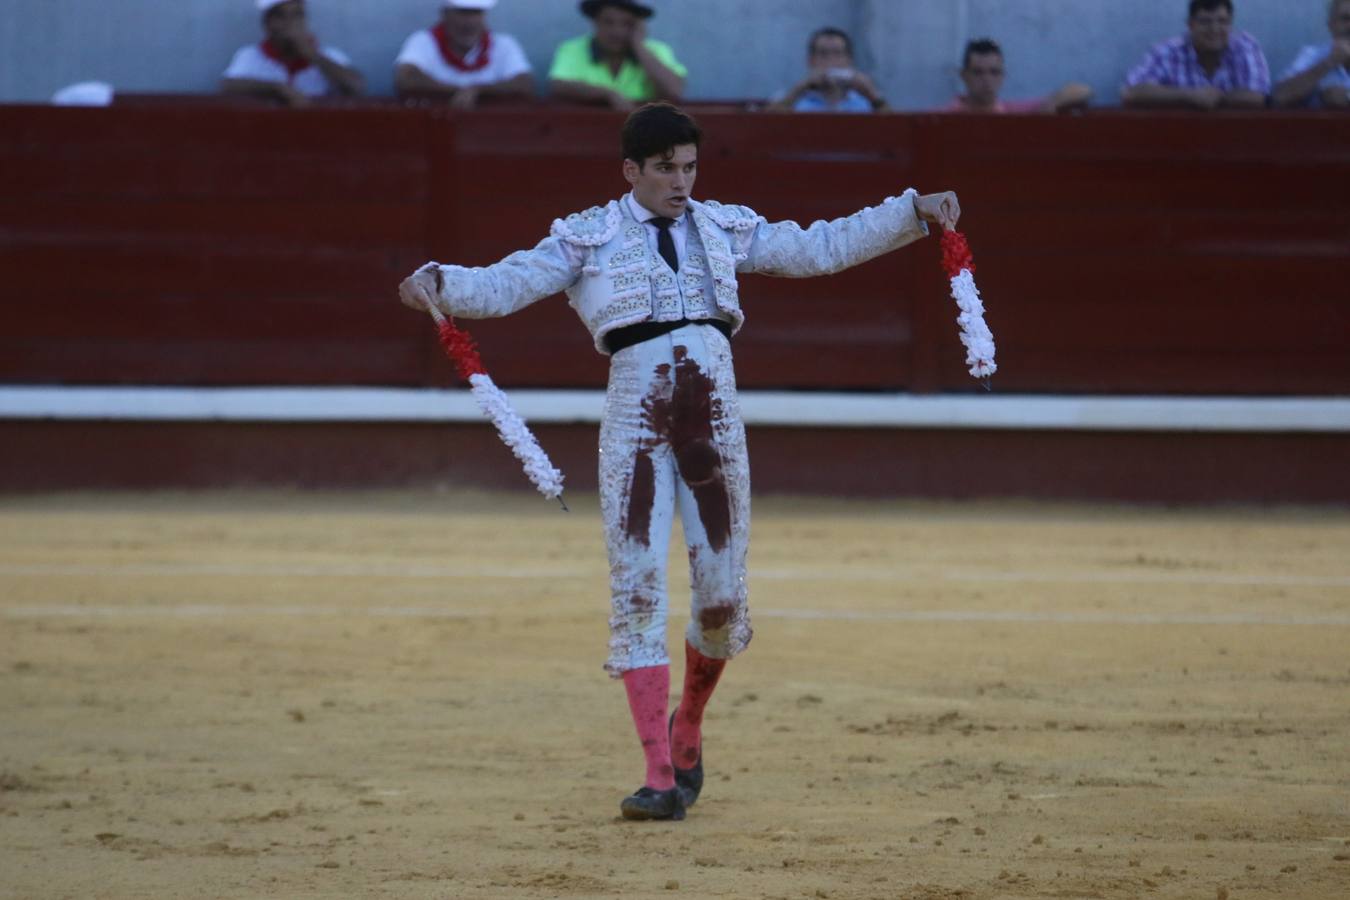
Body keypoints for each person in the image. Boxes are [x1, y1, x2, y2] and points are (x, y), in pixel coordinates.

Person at [397, 102, 960, 821]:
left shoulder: (724, 227)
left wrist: (910, 212)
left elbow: (819, 247)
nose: (681, 181)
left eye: (690, 167)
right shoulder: (587, 237)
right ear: (631, 171)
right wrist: (440, 282)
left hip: (713, 418)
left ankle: (687, 721)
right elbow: (506, 284)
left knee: (721, 602)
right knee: (636, 588)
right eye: (666, 169)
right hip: (635, 419)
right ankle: (658, 775)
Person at [1121, 0, 1269, 110]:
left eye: (1222, 21)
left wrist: (1214, 97)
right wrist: (1189, 95)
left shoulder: (1245, 47)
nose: (1214, 29)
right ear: (1190, 25)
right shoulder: (1168, 51)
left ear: (1231, 24)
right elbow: (1130, 92)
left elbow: (1258, 96)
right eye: (1205, 22)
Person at [221, 0, 364, 107]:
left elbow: (356, 87)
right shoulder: (251, 56)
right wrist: (277, 89)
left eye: (297, 15)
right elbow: (228, 86)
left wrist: (312, 54)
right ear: (267, 23)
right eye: (281, 16)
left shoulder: (329, 55)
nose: (290, 23)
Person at [394, 0, 534, 109]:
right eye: (462, 13)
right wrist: (460, 91)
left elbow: (525, 84)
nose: (469, 22)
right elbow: (405, 79)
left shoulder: (504, 45)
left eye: (476, 13)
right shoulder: (423, 41)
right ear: (445, 14)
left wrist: (478, 91)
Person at [548, 0, 685, 110]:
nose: (617, 31)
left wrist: (639, 47)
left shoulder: (656, 50)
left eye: (627, 24)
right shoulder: (573, 48)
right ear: (595, 23)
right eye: (608, 22)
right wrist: (607, 94)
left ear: (639, 26)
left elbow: (674, 91)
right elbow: (559, 85)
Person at [942, 38, 1092, 113]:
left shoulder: (1015, 111)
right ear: (964, 76)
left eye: (994, 72)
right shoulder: (944, 117)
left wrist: (1053, 102)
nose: (987, 80)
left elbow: (1085, 91)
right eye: (978, 72)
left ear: (1003, 76)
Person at [770, 27, 888, 113]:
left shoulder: (865, 101)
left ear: (849, 61)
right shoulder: (791, 99)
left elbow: (893, 128)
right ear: (810, 61)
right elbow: (768, 125)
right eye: (823, 54)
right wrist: (800, 88)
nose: (831, 61)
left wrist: (872, 95)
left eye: (838, 53)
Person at [1272, 0, 1350, 108]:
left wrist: (1348, 96)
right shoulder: (1312, 55)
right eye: (1345, 19)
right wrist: (1329, 62)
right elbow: (1279, 97)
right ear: (1331, 25)